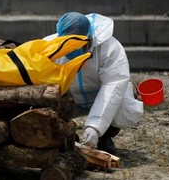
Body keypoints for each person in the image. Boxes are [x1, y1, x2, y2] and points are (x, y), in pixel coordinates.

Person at [44, 12, 144, 154]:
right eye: (67, 44)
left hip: (99, 95)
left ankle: (105, 136)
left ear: (89, 39)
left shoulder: (110, 48)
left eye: (76, 45)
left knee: (124, 105)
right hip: (70, 98)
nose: (71, 50)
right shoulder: (49, 46)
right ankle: (68, 136)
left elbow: (112, 87)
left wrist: (95, 128)